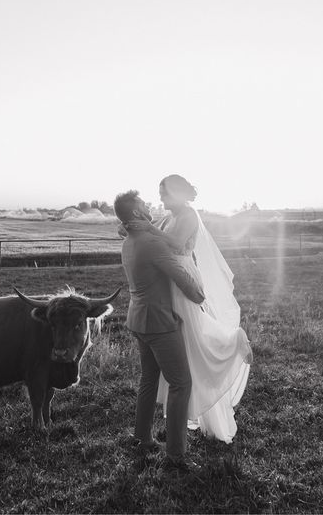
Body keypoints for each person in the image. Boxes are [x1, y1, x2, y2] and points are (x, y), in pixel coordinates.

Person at [125, 174, 252, 443]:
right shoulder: (168, 217)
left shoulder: (189, 216)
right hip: (167, 281)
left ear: (179, 194)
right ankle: (169, 433)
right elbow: (146, 231)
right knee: (183, 350)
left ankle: (233, 343)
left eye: (164, 194)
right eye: (159, 194)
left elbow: (173, 244)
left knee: (194, 337)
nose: (160, 199)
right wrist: (131, 225)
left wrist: (146, 227)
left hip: (180, 273)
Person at [113, 190, 205, 469]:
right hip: (158, 323)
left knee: (149, 379)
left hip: (138, 319)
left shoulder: (129, 241)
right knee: (180, 383)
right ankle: (176, 456)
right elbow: (179, 277)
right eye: (142, 204)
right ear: (137, 213)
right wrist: (199, 295)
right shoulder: (152, 243)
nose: (148, 205)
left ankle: (142, 437)